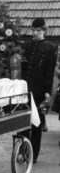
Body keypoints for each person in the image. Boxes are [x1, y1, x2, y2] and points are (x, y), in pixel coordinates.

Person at [22, 17, 58, 163]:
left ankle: (33, 155)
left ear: (44, 31)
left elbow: (50, 71)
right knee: (23, 121)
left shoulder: (51, 47)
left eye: (38, 31)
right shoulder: (27, 46)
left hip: (39, 90)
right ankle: (23, 151)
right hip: (25, 88)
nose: (35, 33)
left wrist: (47, 91)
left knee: (36, 123)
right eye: (33, 30)